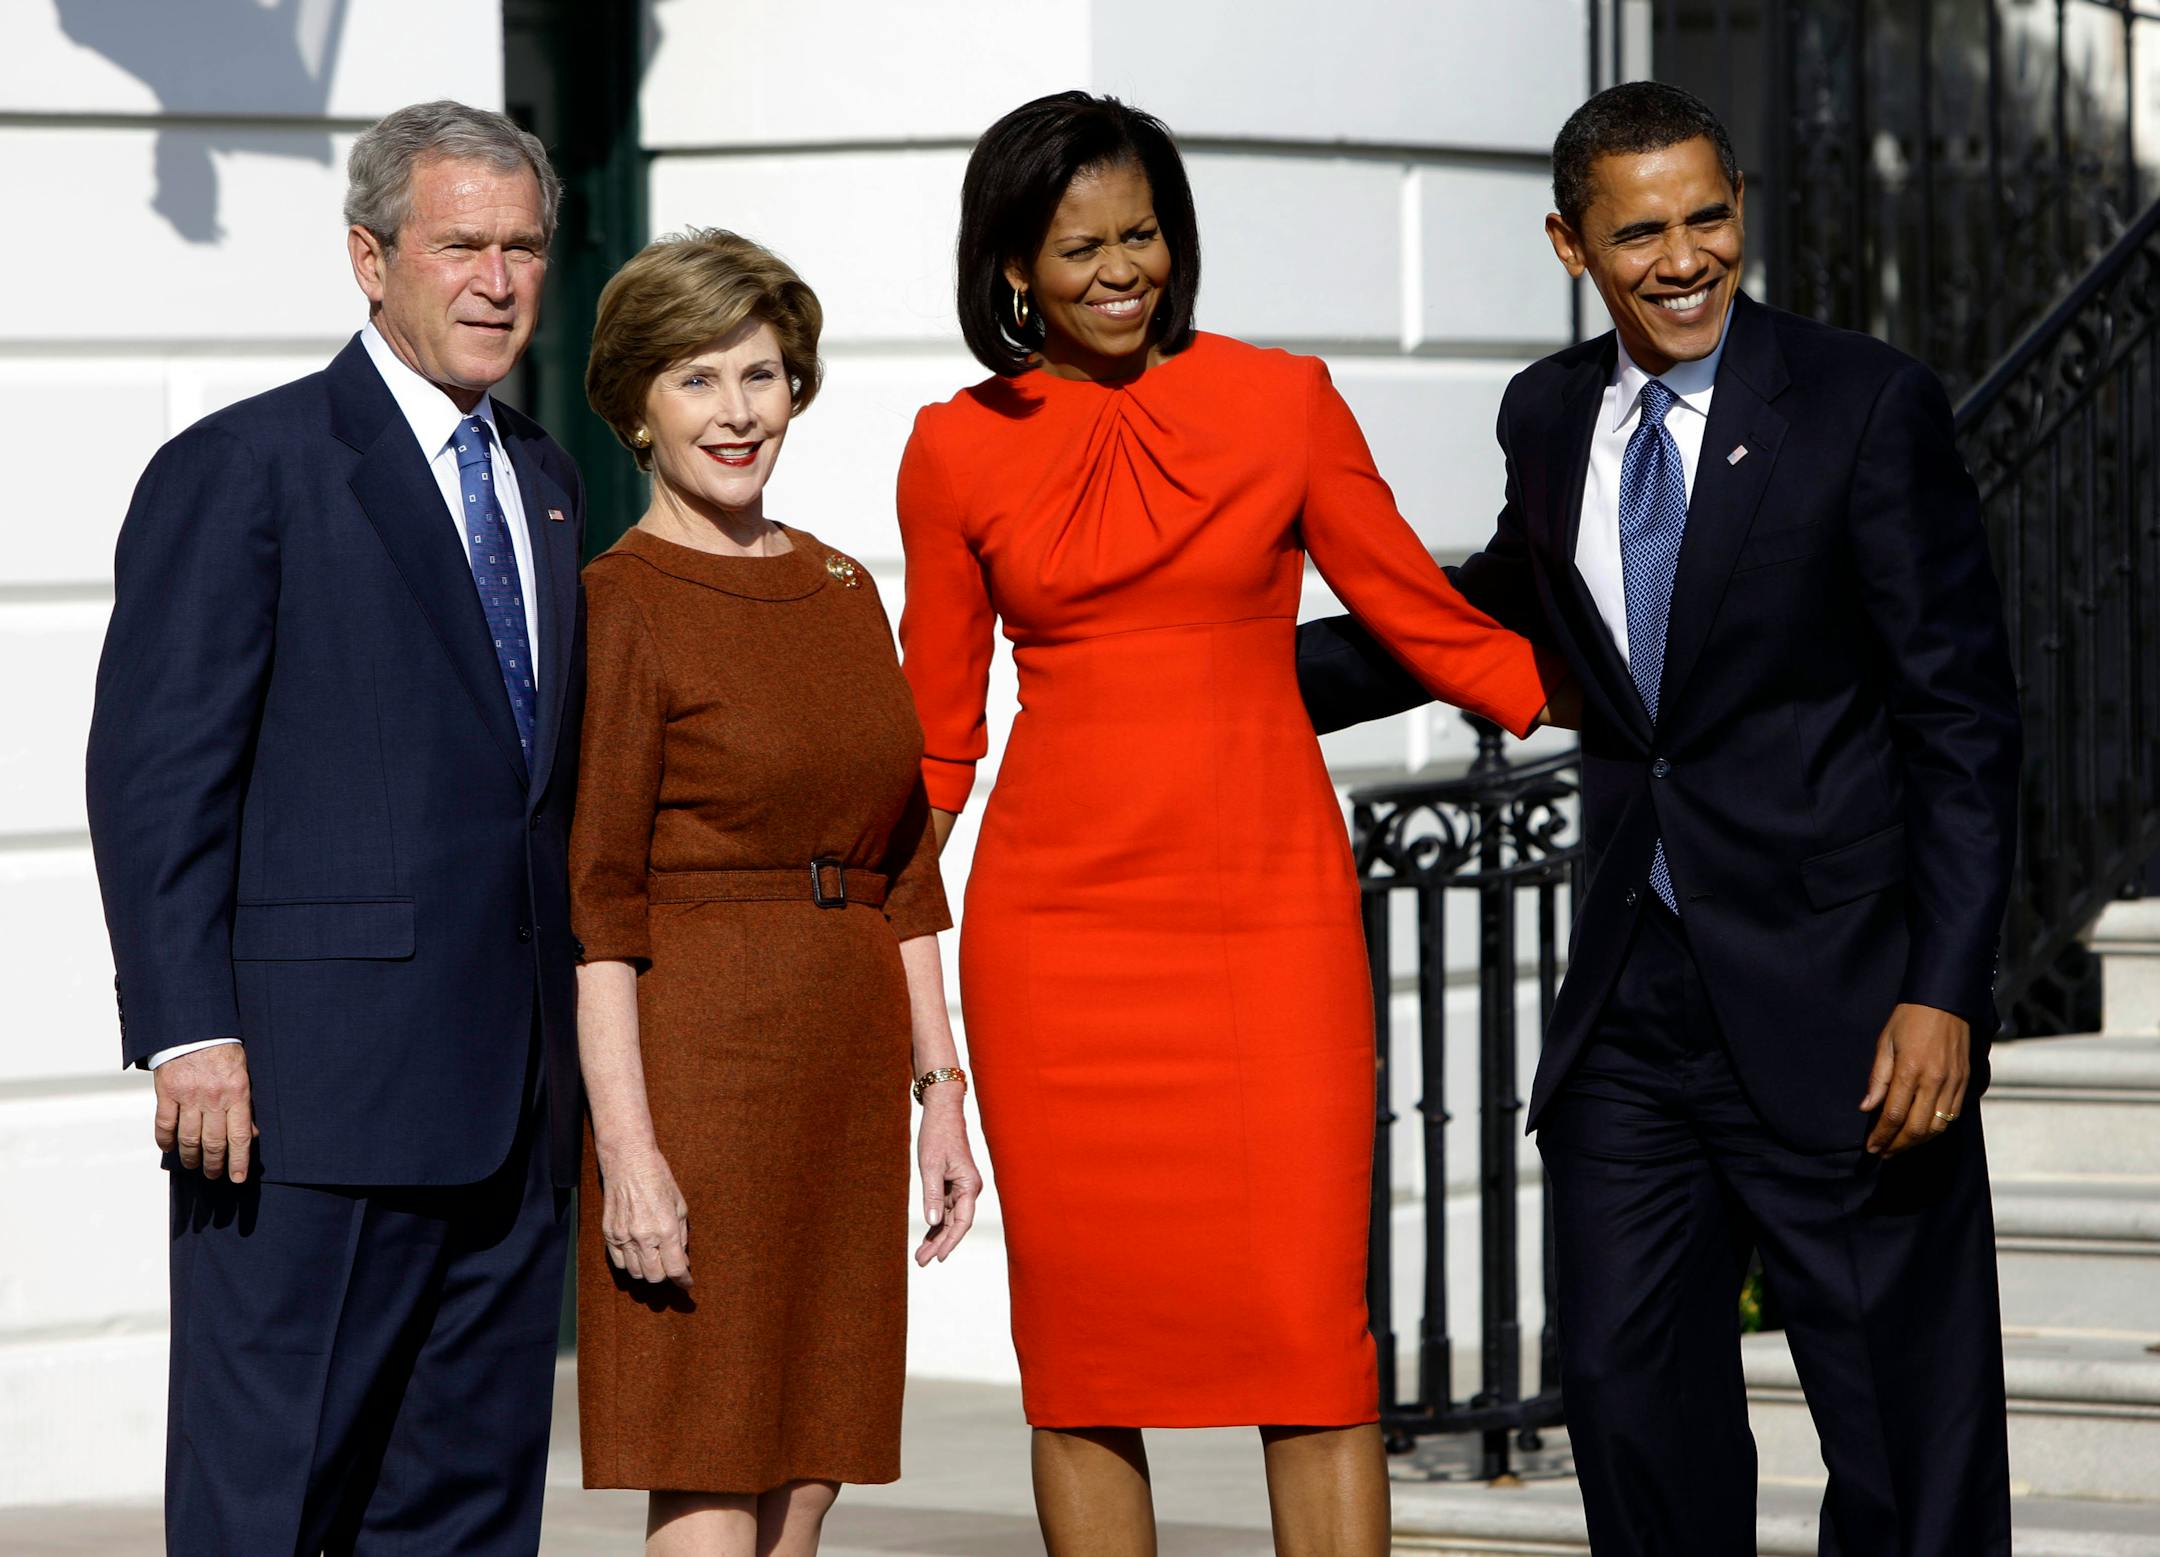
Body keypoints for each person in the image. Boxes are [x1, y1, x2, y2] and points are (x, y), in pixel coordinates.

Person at [1299, 81, 2020, 1557]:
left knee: (1900, 1440)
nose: (1684, 256)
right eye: (1642, 232)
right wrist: (1238, 676)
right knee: (1634, 1407)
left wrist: (1943, 986)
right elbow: (1499, 604)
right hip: (1633, 1005)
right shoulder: (1549, 412)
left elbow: (1962, 720)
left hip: (1844, 1001)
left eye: (1708, 217)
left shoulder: (1866, 404)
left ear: (1740, 207)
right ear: (1573, 245)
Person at [895, 92, 1557, 1555]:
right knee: (1081, 1361)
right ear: (1014, 268)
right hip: (1058, 950)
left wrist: (1634, 717)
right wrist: (860, 931)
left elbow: (1421, 615)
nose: (1124, 268)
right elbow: (936, 742)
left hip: (1268, 927)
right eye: (1083, 246)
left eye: (1144, 234)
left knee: (1310, 1342)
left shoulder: (1285, 401)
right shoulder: (953, 450)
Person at [84, 101, 586, 1554]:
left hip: (508, 1116)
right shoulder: (244, 468)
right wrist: (186, 1028)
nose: (498, 279)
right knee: (269, 1505)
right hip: (303, 1112)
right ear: (371, 259)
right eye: (462, 246)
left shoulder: (545, 480)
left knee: (463, 1518)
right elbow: (156, 772)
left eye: (525, 247)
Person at [571, 227, 982, 1557]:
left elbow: (902, 863)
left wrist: (942, 1090)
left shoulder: (845, 585)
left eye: (763, 375)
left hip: (842, 1065)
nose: (739, 413)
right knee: (705, 1453)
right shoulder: (619, 604)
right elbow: (600, 901)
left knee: (811, 1456)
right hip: (697, 1064)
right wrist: (630, 1153)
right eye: (698, 379)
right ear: (637, 402)